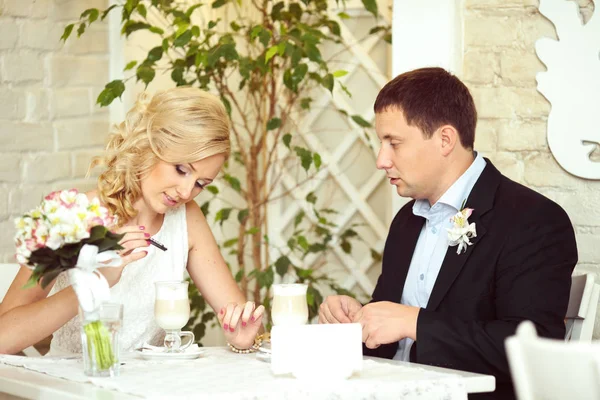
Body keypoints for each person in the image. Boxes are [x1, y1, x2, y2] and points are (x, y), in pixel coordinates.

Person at [318, 67, 578, 399]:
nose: (381, 160)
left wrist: (415, 323)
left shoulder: (533, 221)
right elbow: (392, 332)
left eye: (393, 143)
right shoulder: (406, 222)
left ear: (445, 140)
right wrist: (359, 320)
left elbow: (533, 350)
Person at [0, 87, 263, 355]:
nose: (186, 192)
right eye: (182, 169)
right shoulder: (72, 215)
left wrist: (242, 337)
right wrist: (95, 283)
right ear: (149, 146)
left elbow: (236, 315)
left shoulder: (186, 217)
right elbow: (2, 338)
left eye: (200, 184)